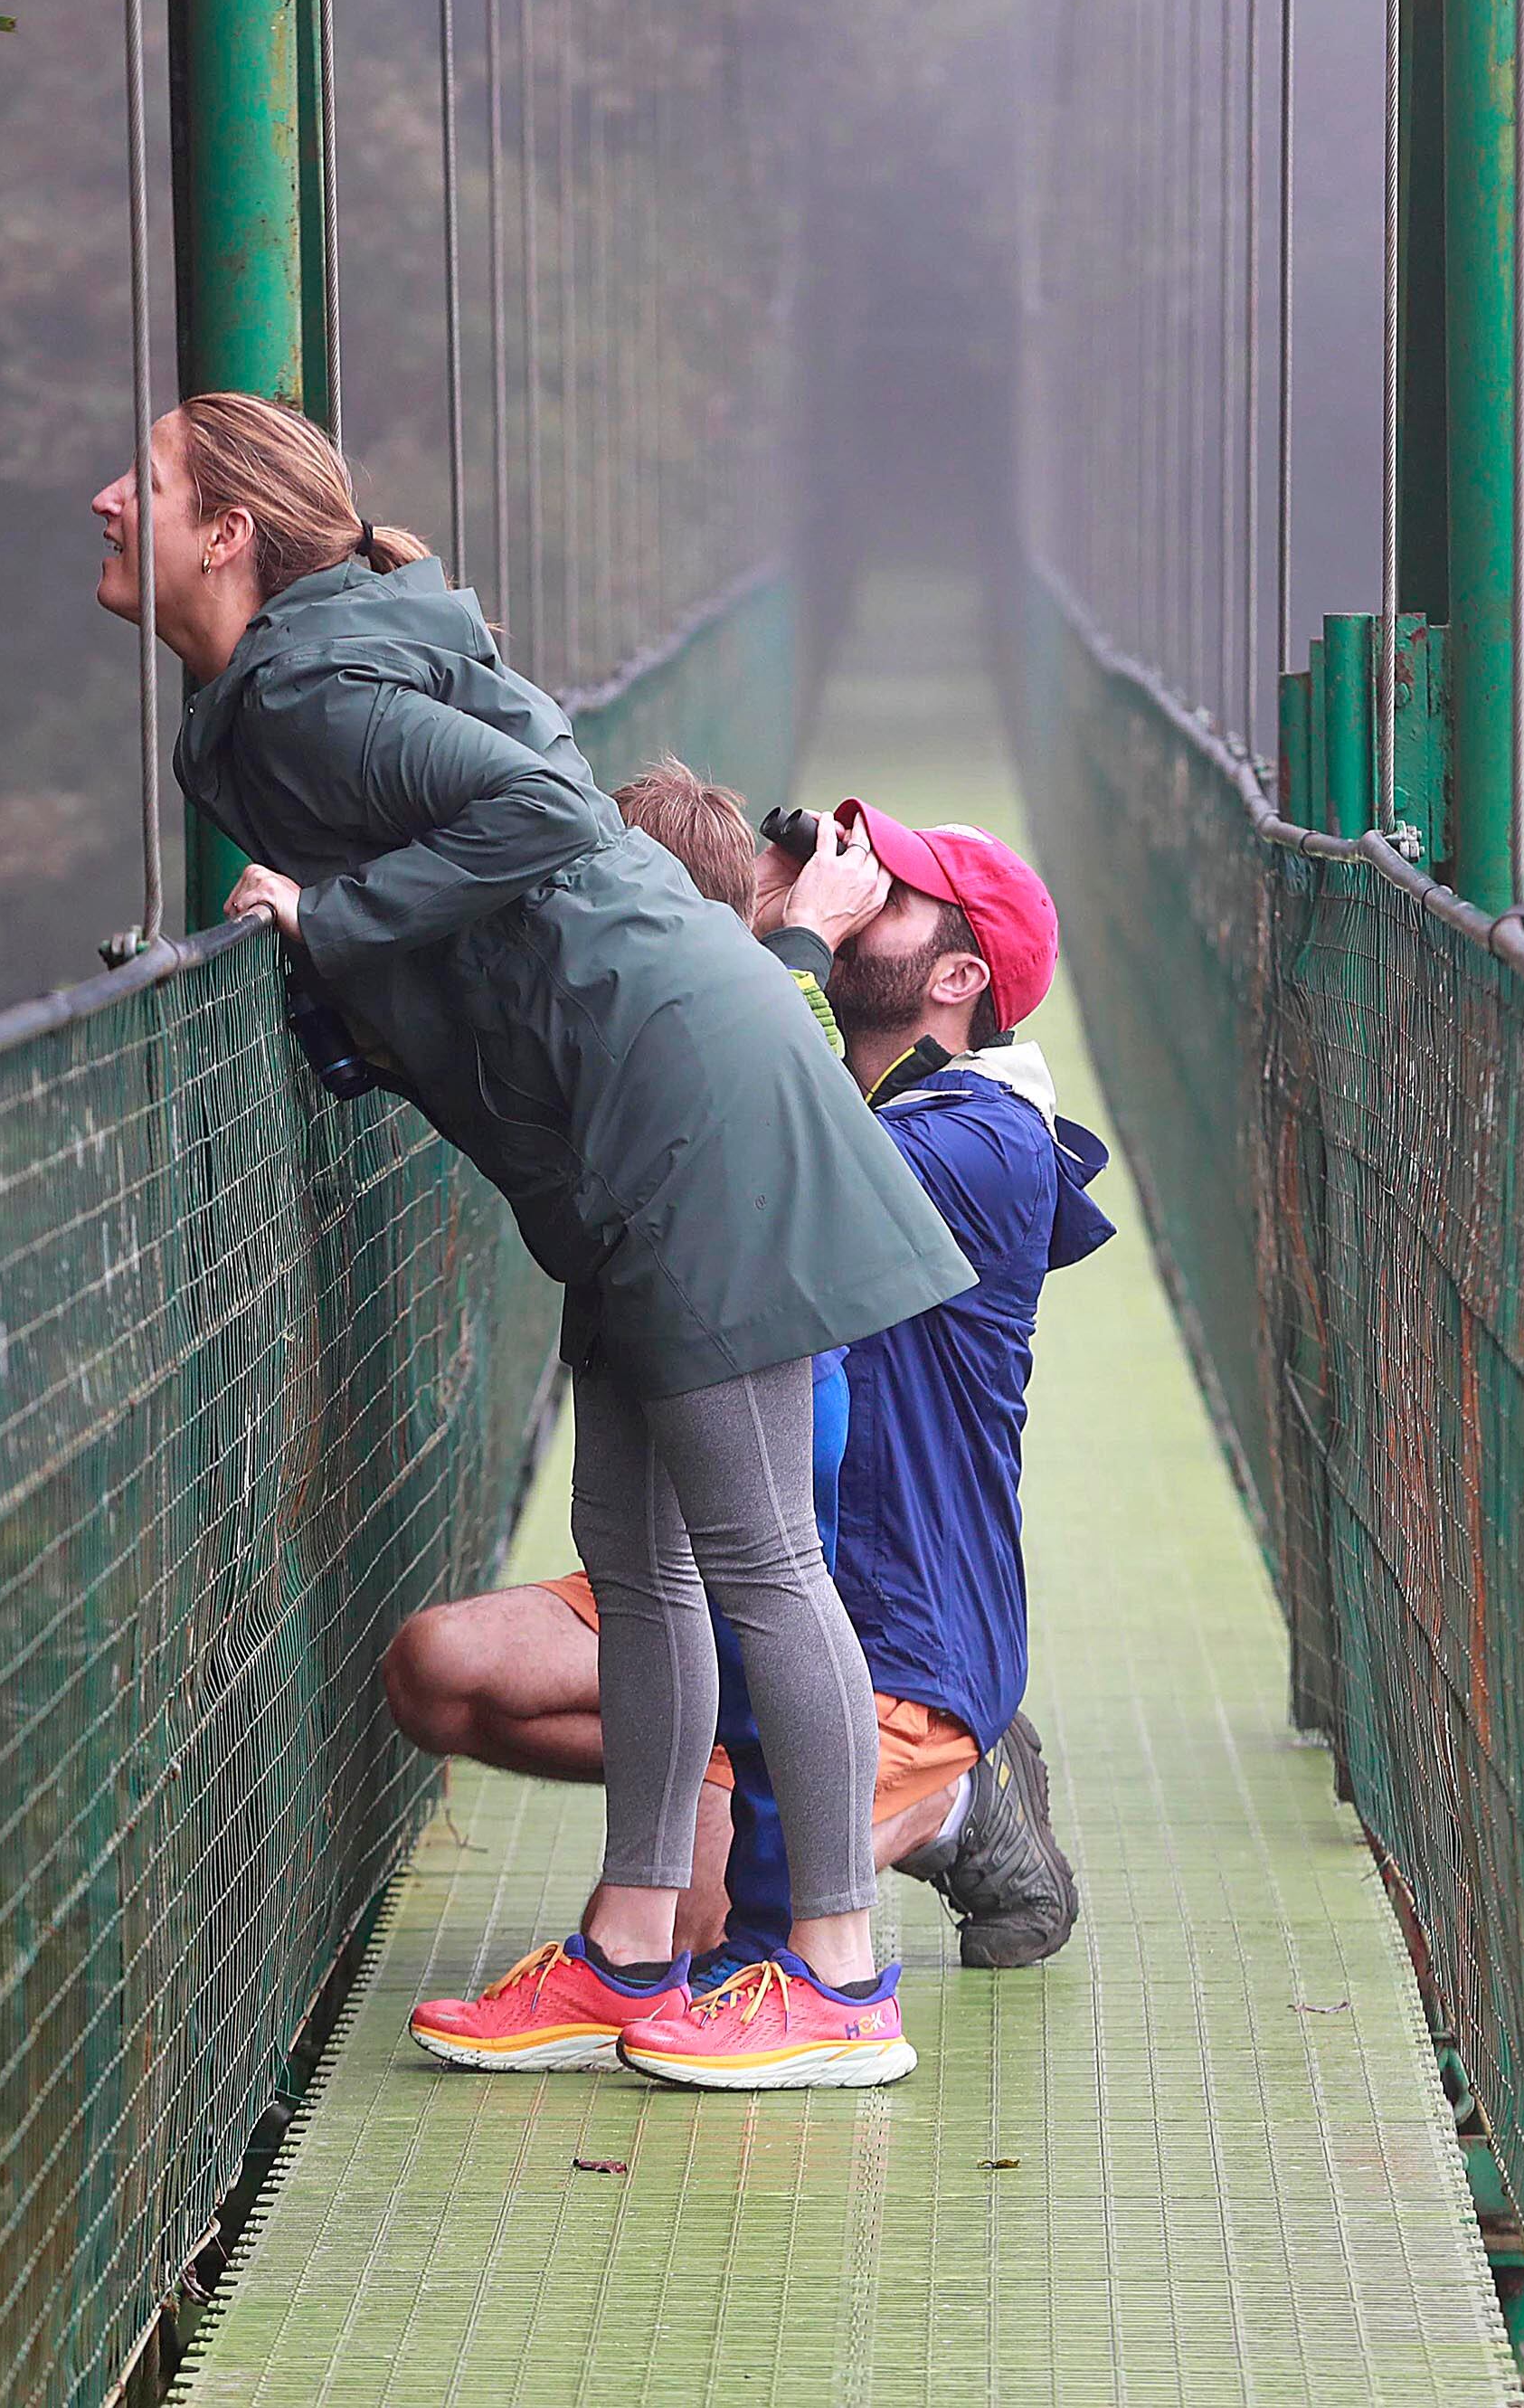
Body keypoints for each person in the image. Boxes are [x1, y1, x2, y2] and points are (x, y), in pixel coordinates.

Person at [94, 396, 970, 2091]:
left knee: (761, 1551)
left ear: (228, 534)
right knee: (637, 1556)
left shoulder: (308, 683)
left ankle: (844, 1982)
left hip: (680, 1104)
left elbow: (547, 817)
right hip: (626, 1106)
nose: (107, 498)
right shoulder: (292, 686)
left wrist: (331, 921)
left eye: (153, 478)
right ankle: (634, 1942)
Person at [384, 776, 1110, 1986]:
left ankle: (948, 1803)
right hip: (733, 1581)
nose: (848, 885)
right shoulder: (798, 1045)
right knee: (439, 1672)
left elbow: (756, 1149)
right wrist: (741, 932)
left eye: (893, 892)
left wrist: (782, 949)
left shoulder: (989, 1143)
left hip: (888, 1633)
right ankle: (761, 1771)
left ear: (958, 976)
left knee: (710, 1935)